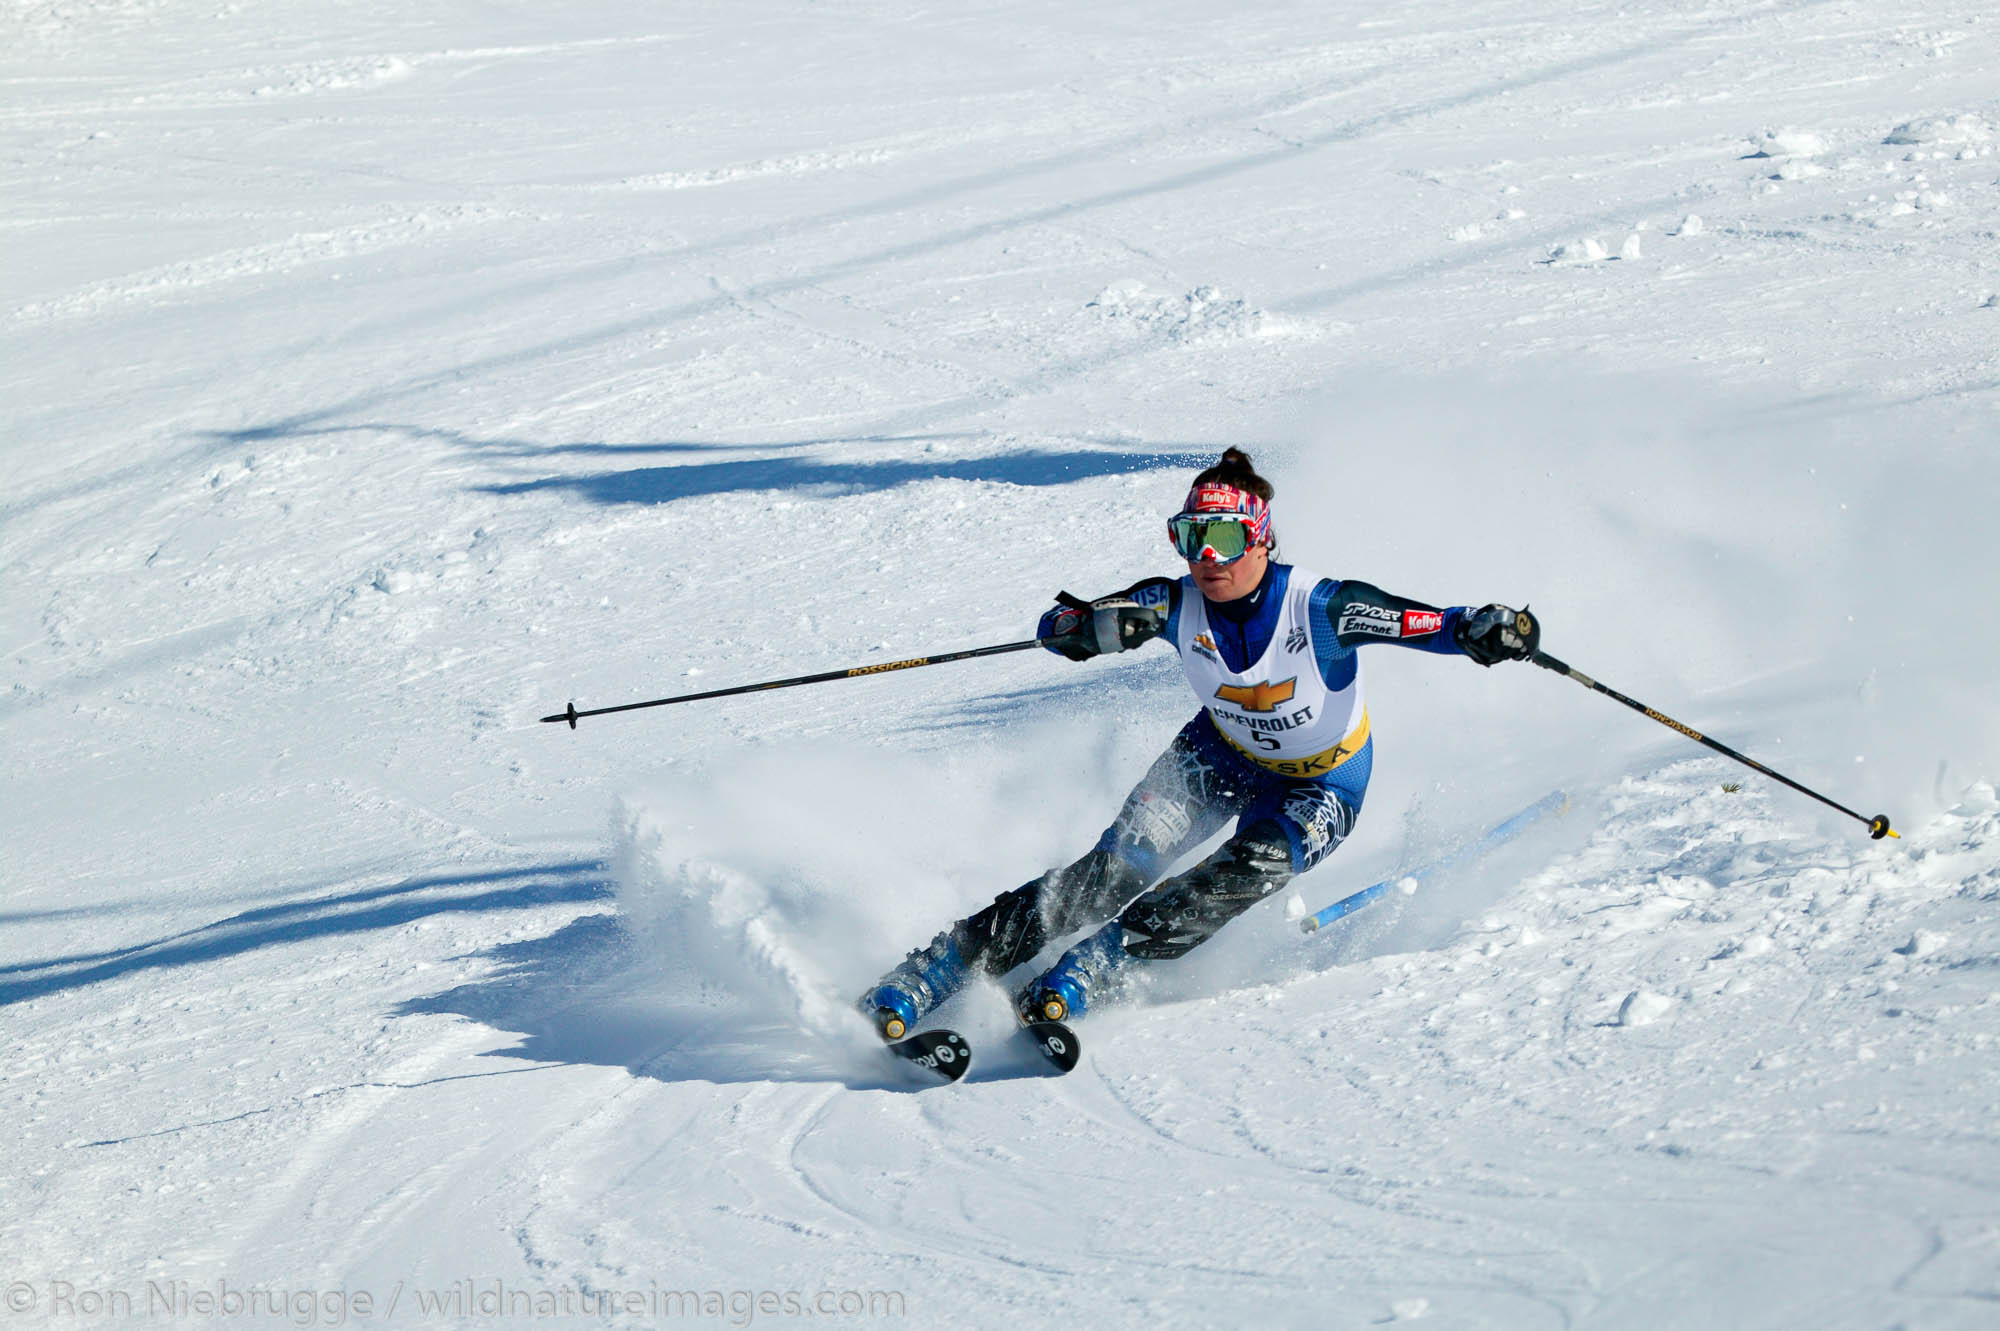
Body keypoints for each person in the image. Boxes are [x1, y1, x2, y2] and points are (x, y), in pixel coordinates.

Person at [861, 449, 1539, 1040]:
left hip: (1323, 784)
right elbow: (1071, 623)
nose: (1204, 557)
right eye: (1189, 536)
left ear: (1262, 540)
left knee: (1237, 874)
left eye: (1221, 536)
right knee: (1106, 875)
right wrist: (1084, 628)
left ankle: (1098, 964)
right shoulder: (1174, 601)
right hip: (1218, 755)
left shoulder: (1321, 608)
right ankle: (937, 968)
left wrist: (1488, 628)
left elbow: (1431, 623)